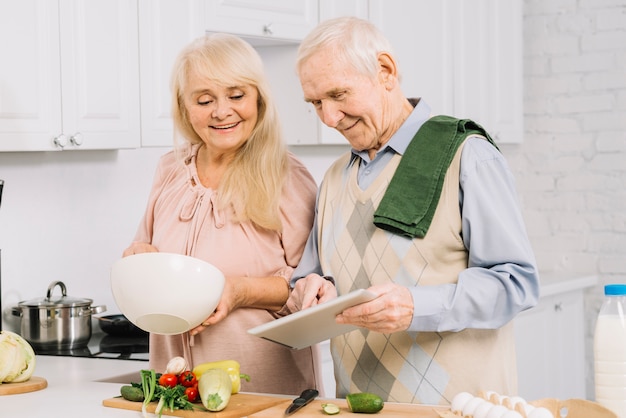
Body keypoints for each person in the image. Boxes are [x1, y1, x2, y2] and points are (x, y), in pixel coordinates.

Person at [284, 17, 540, 405]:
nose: (329, 118)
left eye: (338, 95)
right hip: (359, 407)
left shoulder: (466, 156)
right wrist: (311, 289)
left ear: (385, 71)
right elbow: (313, 276)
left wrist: (417, 306)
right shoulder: (334, 177)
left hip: (460, 408)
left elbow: (516, 283)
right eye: (316, 102)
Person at [123, 33, 321, 395]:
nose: (221, 111)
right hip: (175, 386)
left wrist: (238, 291)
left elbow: (313, 288)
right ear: (184, 107)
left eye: (236, 95)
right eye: (204, 99)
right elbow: (145, 248)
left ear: (259, 99)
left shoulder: (288, 177)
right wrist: (139, 259)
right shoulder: (170, 169)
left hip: (263, 388)